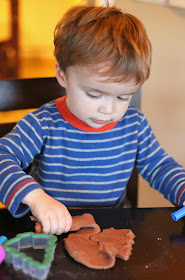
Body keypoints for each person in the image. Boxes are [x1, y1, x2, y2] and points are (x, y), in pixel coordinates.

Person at [0, 4, 185, 235]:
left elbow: (159, 166)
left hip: (111, 230)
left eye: (123, 97)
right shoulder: (42, 124)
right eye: (93, 94)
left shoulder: (134, 125)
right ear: (62, 74)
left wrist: (182, 189)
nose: (108, 109)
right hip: (49, 231)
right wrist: (36, 197)